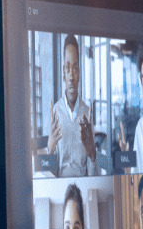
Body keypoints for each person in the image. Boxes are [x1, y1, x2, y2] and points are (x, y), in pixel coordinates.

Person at [41, 37, 100, 177]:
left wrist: (93, 156)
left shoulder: (87, 114)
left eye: (75, 69)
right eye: (68, 68)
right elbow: (49, 177)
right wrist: (50, 149)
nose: (71, 76)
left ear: (79, 72)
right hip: (61, 192)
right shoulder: (55, 113)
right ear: (63, 73)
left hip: (83, 192)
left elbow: (94, 177)